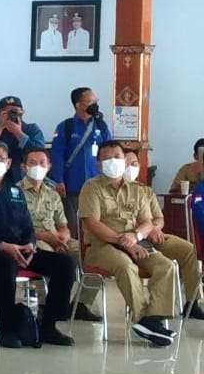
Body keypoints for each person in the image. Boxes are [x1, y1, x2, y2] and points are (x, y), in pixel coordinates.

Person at [78, 142, 204, 347]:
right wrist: (124, 241)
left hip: (137, 241)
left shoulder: (137, 190)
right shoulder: (91, 187)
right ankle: (142, 319)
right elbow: (93, 224)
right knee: (125, 266)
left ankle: (154, 319)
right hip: (103, 246)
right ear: (99, 164)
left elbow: (148, 221)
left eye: (117, 157)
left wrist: (135, 237)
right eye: (107, 159)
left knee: (165, 265)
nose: (114, 162)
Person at [0, 141, 76, 348]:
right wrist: (2, 245)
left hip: (20, 249)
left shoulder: (14, 191)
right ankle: (8, 328)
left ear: (8, 162)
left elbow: (26, 225)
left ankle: (48, 325)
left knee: (65, 265)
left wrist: (30, 244)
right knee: (5, 264)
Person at [19, 146, 102, 322]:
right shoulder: (14, 193)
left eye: (42, 163)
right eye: (32, 163)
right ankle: (45, 305)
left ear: (49, 166)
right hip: (32, 240)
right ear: (23, 167)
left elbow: (63, 224)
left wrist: (63, 235)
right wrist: (46, 237)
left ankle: (81, 304)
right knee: (44, 253)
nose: (38, 167)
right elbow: (16, 229)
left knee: (93, 253)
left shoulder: (53, 194)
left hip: (57, 237)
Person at [50, 87, 111, 236]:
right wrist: (58, 180)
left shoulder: (101, 126)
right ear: (79, 105)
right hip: (72, 185)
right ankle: (77, 254)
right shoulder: (66, 127)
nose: (95, 104)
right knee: (74, 225)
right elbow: (56, 155)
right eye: (91, 101)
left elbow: (110, 151)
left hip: (98, 184)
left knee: (98, 224)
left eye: (96, 101)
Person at [0, 95, 45, 185]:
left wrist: (19, 133)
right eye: (6, 112)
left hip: (24, 180)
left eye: (14, 112)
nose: (11, 115)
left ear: (22, 112)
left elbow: (39, 153)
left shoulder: (32, 129)